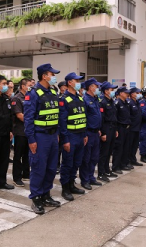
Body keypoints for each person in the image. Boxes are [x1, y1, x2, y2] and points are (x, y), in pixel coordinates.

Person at [24, 64, 61, 214]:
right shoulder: (33, 93)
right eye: (52, 74)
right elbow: (28, 118)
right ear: (44, 76)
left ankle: (46, 194)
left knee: (51, 168)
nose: (54, 76)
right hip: (40, 137)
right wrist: (31, 139)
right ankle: (36, 198)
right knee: (39, 168)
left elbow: (56, 115)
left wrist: (57, 133)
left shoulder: (53, 91)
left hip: (52, 136)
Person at [58, 72, 87, 200]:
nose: (79, 83)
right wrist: (65, 140)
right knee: (67, 163)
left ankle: (72, 184)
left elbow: (83, 118)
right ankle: (65, 188)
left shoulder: (80, 98)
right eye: (76, 80)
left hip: (81, 136)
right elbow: (62, 122)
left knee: (76, 162)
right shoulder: (64, 99)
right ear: (70, 82)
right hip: (70, 136)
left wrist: (85, 134)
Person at [80, 78, 103, 190]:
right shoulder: (85, 99)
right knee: (86, 158)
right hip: (88, 132)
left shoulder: (95, 99)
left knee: (94, 157)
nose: (98, 88)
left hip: (95, 132)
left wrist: (98, 128)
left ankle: (91, 177)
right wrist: (85, 133)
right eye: (96, 86)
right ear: (90, 87)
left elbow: (97, 115)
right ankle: (85, 180)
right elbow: (84, 118)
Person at [11, 78, 32, 187]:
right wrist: (31, 121)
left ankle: (26, 173)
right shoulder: (17, 98)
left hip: (29, 131)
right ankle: (16, 177)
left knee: (27, 154)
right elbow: (19, 115)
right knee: (18, 155)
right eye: (29, 85)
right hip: (20, 131)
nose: (31, 87)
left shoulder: (30, 97)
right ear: (23, 86)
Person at [97, 82, 118, 182]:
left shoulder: (112, 101)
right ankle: (101, 173)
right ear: (106, 91)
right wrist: (103, 133)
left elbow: (114, 116)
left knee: (109, 151)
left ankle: (107, 170)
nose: (113, 92)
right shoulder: (102, 102)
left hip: (113, 128)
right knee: (104, 152)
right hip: (106, 128)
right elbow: (102, 119)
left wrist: (116, 129)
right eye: (111, 90)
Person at [112, 86, 131, 174]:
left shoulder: (126, 102)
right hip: (120, 127)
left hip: (126, 127)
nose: (127, 94)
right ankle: (116, 166)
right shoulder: (117, 103)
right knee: (118, 148)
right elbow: (115, 117)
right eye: (126, 93)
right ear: (120, 93)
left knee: (125, 147)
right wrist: (116, 129)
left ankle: (123, 164)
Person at [127, 87, 143, 166]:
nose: (138, 94)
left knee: (135, 145)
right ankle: (128, 160)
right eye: (137, 93)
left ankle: (133, 159)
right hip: (131, 128)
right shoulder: (129, 103)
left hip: (137, 127)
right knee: (129, 145)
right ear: (132, 94)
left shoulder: (137, 102)